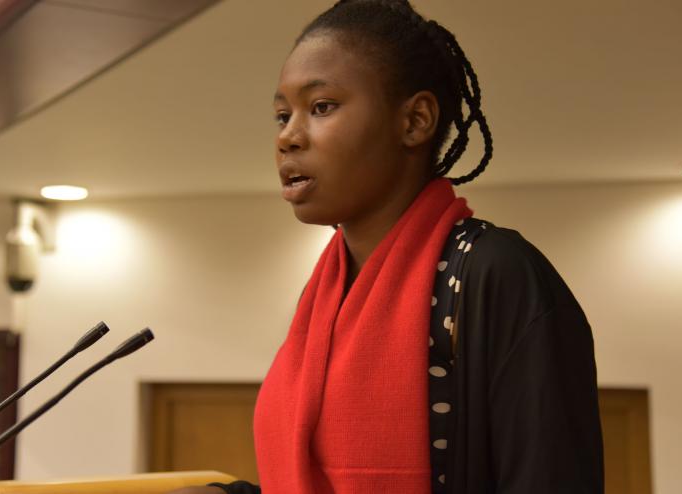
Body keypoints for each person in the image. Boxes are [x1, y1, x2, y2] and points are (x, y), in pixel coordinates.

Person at [174, 1, 603, 492]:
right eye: (280, 115)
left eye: (321, 107)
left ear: (415, 120)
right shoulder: (327, 293)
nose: (288, 137)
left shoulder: (495, 273)